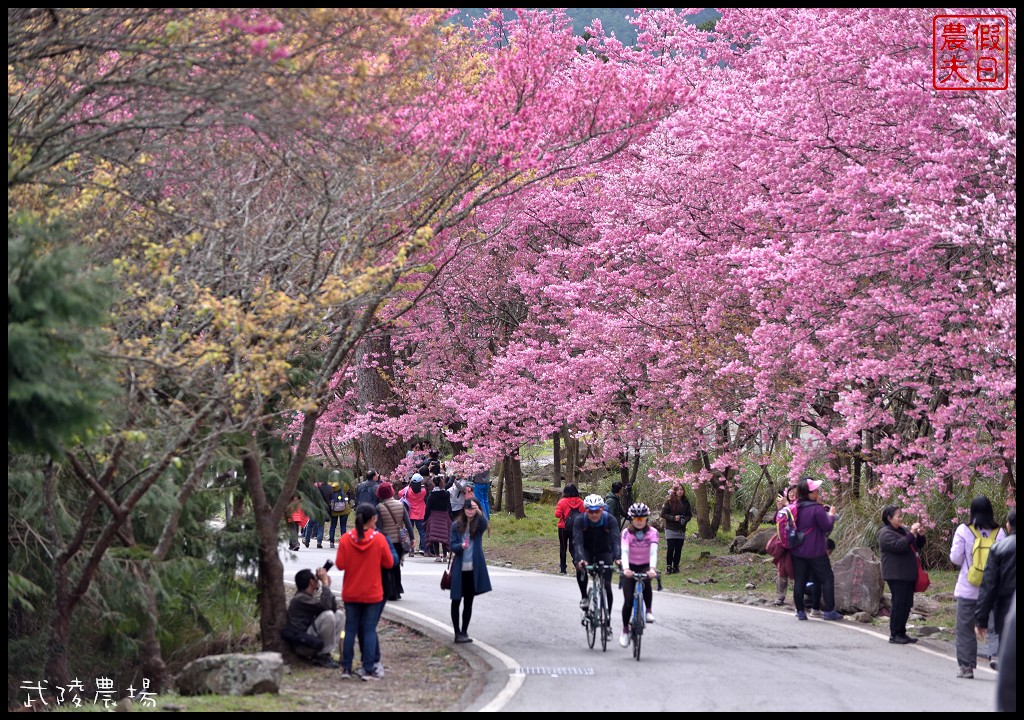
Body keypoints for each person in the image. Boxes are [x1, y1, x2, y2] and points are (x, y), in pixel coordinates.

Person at [335, 502, 395, 681]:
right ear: (373, 519)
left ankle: (346, 667)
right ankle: (368, 668)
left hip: (351, 591)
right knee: (369, 630)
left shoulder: (346, 539)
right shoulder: (379, 539)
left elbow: (340, 565)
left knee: (350, 629)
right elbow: (389, 563)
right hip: (372, 592)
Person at [950, 494, 1006, 679]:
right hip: (992, 589)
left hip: (968, 587)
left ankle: (966, 667)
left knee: (965, 629)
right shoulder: (999, 533)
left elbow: (955, 558)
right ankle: (996, 655)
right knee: (994, 625)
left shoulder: (963, 530)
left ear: (972, 511)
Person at [791, 477, 841, 622]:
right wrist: (831, 515)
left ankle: (800, 611)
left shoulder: (795, 507)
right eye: (815, 490)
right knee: (827, 578)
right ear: (809, 493)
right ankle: (829, 611)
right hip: (816, 550)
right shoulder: (816, 509)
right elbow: (827, 526)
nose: (818, 492)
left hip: (798, 550)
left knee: (800, 580)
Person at [878, 505, 926, 644]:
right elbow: (900, 546)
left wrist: (920, 535)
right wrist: (911, 532)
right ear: (889, 518)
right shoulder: (885, 533)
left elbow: (916, 545)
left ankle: (902, 632)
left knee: (906, 604)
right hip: (896, 574)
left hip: (907, 573)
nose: (901, 518)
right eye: (898, 516)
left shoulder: (903, 530)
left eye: (901, 515)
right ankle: (894, 634)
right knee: (898, 603)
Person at [975, 508, 1015, 671]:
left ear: (1009, 525)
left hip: (1005, 607)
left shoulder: (999, 548)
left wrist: (981, 619)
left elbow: (989, 585)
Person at [573, 493, 621, 627]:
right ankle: (584, 597)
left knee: (607, 586)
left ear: (602, 509)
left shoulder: (610, 520)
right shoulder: (580, 520)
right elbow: (577, 542)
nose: (594, 514)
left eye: (597, 511)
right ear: (586, 510)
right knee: (580, 566)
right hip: (587, 550)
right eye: (590, 511)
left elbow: (616, 540)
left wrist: (618, 558)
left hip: (604, 551)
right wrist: (581, 559)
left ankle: (608, 621)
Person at [281, 566, 343, 668]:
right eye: (315, 579)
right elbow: (327, 609)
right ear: (310, 582)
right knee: (328, 616)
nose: (317, 580)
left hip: (312, 640)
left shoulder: (307, 597)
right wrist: (325, 585)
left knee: (339, 615)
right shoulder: (300, 598)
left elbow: (332, 609)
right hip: (303, 645)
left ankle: (327, 653)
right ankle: (323, 656)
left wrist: (327, 587)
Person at [449, 497, 492, 643]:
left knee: (468, 602)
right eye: (467, 507)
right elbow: (452, 545)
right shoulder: (456, 525)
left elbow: (485, 524)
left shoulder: (478, 525)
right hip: (459, 568)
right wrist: (460, 547)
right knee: (456, 600)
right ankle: (457, 633)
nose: (469, 510)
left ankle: (464, 632)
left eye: (472, 508)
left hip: (473, 569)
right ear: (463, 509)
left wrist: (479, 511)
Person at [618, 502, 659, 647]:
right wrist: (626, 569)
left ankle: (648, 610)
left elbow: (653, 551)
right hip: (630, 565)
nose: (639, 522)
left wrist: (652, 568)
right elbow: (624, 551)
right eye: (636, 519)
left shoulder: (652, 532)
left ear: (646, 519)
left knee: (646, 581)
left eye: (642, 519)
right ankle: (625, 630)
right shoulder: (626, 533)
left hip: (645, 565)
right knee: (628, 601)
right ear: (632, 519)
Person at [376, 482, 414, 601]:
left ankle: (389, 590)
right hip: (399, 541)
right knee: (396, 566)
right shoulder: (400, 505)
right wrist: (412, 538)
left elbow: (379, 527)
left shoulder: (379, 508)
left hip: (386, 541)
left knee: (387, 566)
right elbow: (408, 523)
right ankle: (398, 589)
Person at [769, 485, 797, 606]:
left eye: (795, 492)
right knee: (782, 569)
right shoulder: (786, 506)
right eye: (790, 491)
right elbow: (777, 520)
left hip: (797, 543)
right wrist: (779, 508)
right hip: (784, 543)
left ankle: (801, 597)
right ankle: (780, 596)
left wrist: (786, 506)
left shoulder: (798, 506)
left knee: (798, 570)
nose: (792, 494)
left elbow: (796, 519)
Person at [660, 482, 692, 574]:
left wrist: (684, 520)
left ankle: (676, 567)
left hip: (681, 529)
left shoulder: (686, 502)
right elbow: (663, 514)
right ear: (674, 491)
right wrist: (674, 518)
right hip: (670, 528)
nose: (680, 491)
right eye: (678, 490)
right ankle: (669, 567)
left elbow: (689, 515)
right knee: (671, 548)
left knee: (678, 549)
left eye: (681, 490)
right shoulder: (669, 501)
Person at [554, 484, 585, 574]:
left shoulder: (562, 502)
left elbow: (557, 515)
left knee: (563, 548)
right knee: (574, 548)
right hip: (576, 528)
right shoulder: (581, 502)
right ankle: (578, 565)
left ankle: (563, 569)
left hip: (563, 528)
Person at [424, 475, 453, 561]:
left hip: (434, 517)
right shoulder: (447, 494)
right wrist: (450, 517)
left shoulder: (432, 495)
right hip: (444, 516)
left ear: (434, 483)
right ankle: (444, 555)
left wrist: (425, 518)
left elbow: (428, 508)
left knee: (435, 537)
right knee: (444, 537)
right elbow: (449, 506)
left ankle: (437, 555)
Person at [323, 469, 352, 549]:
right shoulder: (343, 484)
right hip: (344, 508)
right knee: (343, 526)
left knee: (333, 526)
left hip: (333, 508)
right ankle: (343, 542)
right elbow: (347, 490)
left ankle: (331, 542)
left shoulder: (329, 485)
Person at [402, 473, 429, 555]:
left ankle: (411, 550)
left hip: (410, 513)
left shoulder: (408, 490)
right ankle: (425, 550)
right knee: (422, 532)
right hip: (420, 513)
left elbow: (400, 494)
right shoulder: (423, 491)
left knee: (410, 532)